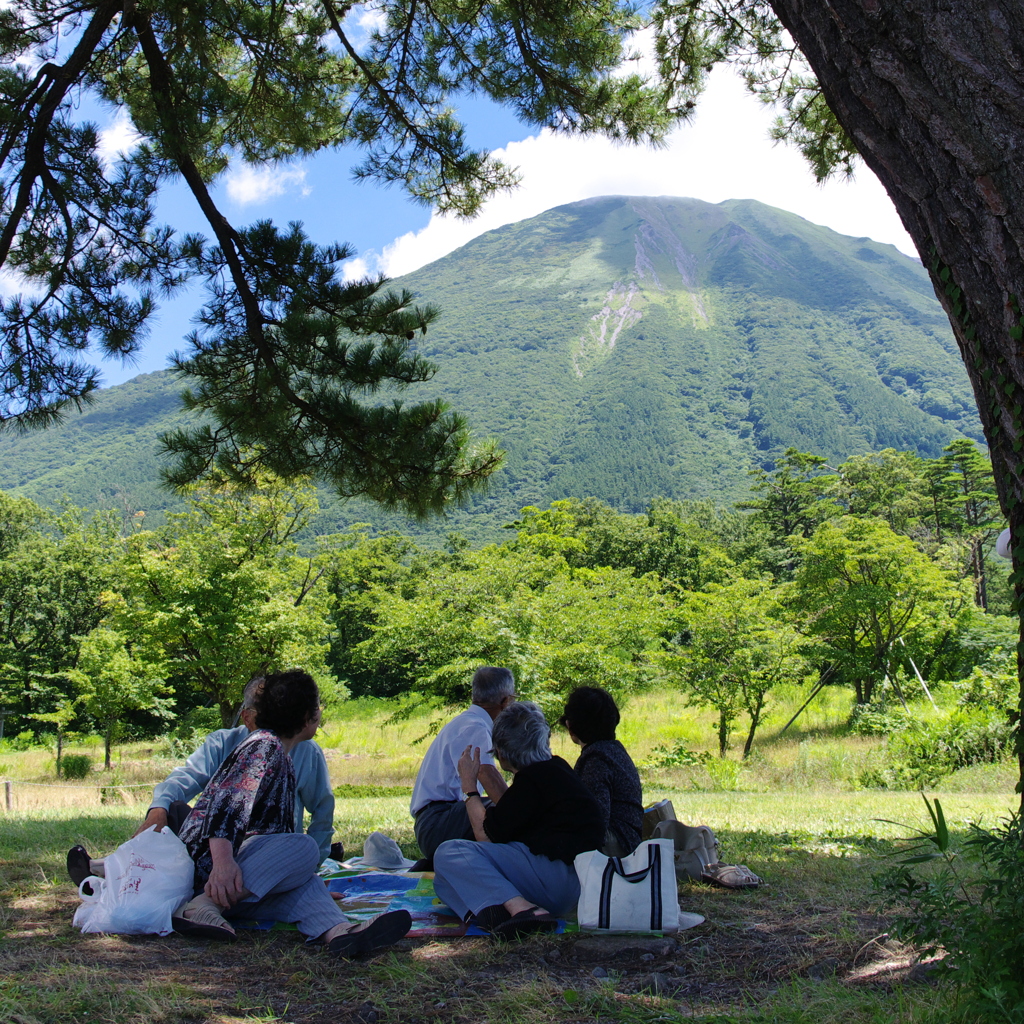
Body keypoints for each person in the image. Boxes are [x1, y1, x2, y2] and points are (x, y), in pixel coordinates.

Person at [173, 669, 410, 956]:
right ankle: (204, 906)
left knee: (306, 880)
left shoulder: (279, 751)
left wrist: (290, 873)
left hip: (237, 883)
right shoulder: (263, 746)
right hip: (210, 876)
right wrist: (222, 867)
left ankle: (340, 933)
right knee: (306, 848)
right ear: (307, 716)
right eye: (317, 706)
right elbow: (225, 806)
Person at [67, 676, 337, 887]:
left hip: (263, 851)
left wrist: (312, 862)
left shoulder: (301, 750)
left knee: (300, 854)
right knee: (174, 812)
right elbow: (190, 783)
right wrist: (158, 808)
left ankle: (118, 871)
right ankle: (119, 869)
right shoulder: (229, 742)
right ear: (247, 716)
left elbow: (322, 810)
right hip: (216, 848)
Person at [432, 700, 605, 940]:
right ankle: (494, 914)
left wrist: (469, 787)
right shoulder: (555, 771)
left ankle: (522, 910)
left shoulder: (532, 781)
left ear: (502, 752)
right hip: (572, 881)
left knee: (449, 852)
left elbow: (486, 837)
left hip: (555, 879)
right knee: (443, 882)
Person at [409, 666, 516, 863]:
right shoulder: (474, 727)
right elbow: (489, 777)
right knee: (507, 812)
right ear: (505, 702)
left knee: (506, 811)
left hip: (437, 821)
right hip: (437, 823)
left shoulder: (468, 723)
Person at [559, 686, 643, 857]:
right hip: (627, 839)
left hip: (619, 842)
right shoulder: (612, 750)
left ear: (572, 726)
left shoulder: (597, 759)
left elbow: (595, 820)